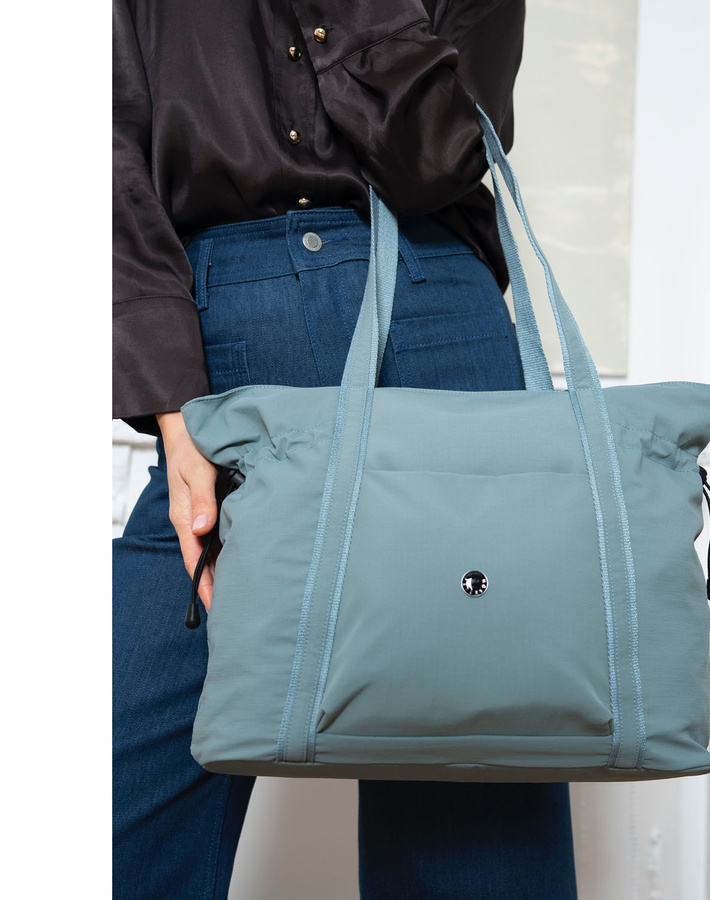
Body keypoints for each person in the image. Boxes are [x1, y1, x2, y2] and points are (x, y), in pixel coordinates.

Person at [113, 2, 580, 898]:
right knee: (120, 797)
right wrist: (172, 408)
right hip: (230, 335)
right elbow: (105, 155)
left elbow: (437, 151)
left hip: (437, 323)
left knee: (472, 808)